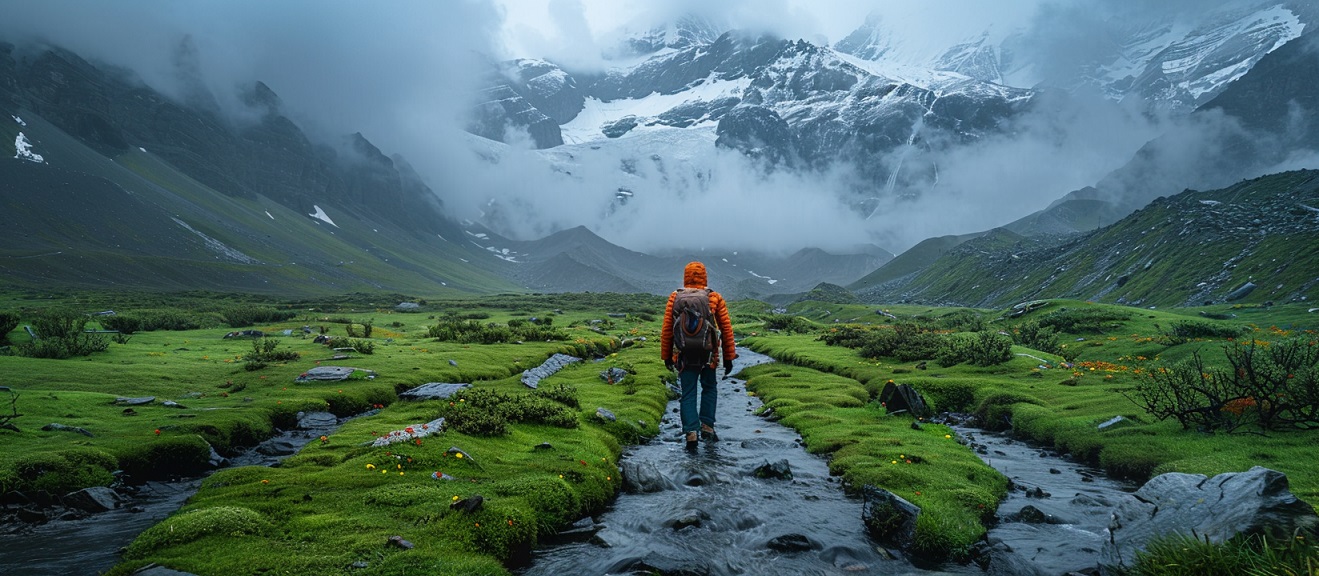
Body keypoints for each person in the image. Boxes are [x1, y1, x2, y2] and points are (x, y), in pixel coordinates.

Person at [661, 261, 736, 450]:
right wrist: (729, 357)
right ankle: (708, 427)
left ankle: (691, 434)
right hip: (709, 355)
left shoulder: (675, 297)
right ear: (705, 277)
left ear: (685, 277)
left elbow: (667, 330)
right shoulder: (714, 297)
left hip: (684, 354)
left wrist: (667, 356)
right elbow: (726, 330)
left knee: (688, 393)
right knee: (709, 388)